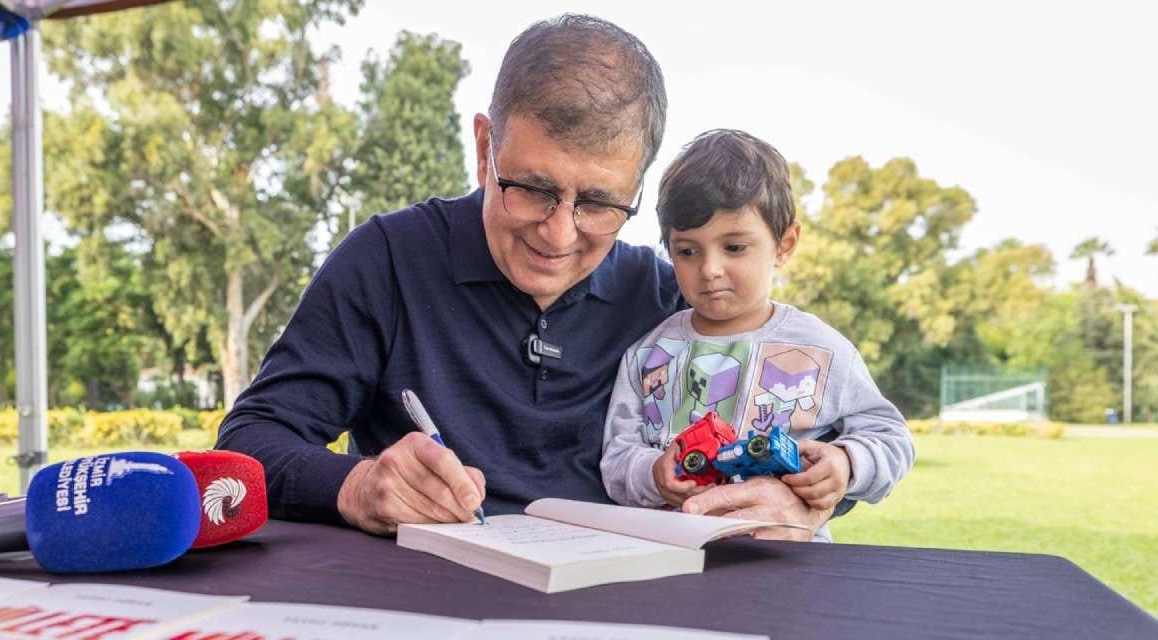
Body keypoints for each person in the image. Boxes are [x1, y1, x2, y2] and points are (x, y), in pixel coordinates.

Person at [218, 16, 834, 540]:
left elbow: (824, 438)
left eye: (599, 203)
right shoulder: (387, 261)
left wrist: (799, 496)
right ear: (484, 147)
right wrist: (355, 485)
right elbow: (248, 442)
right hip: (427, 598)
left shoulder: (671, 300)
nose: (558, 236)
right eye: (534, 189)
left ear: (637, 189)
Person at [599, 130, 914, 541]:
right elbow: (618, 457)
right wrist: (652, 473)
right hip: (670, 555)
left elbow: (892, 437)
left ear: (784, 244)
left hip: (786, 558)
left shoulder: (822, 349)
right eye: (688, 251)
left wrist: (847, 462)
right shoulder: (647, 355)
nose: (709, 269)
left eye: (734, 247)